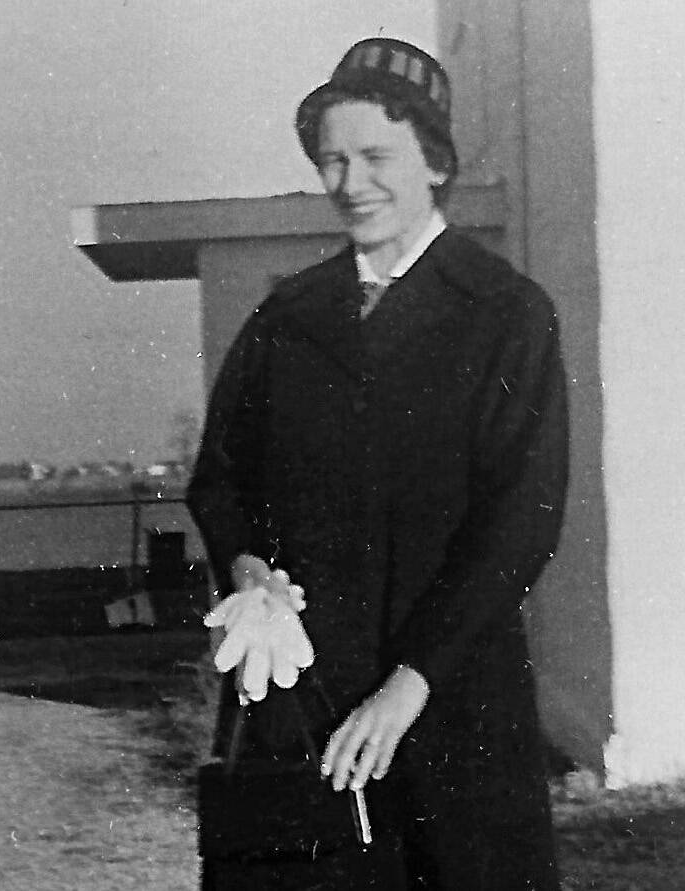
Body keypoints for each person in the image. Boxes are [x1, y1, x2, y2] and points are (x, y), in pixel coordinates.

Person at [187, 37, 568, 890]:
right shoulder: (288, 318)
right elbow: (220, 476)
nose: (350, 183)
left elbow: (524, 517)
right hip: (304, 699)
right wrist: (249, 571)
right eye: (332, 160)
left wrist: (408, 686)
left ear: (434, 162)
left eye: (375, 156)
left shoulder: (506, 315)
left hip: (453, 705)